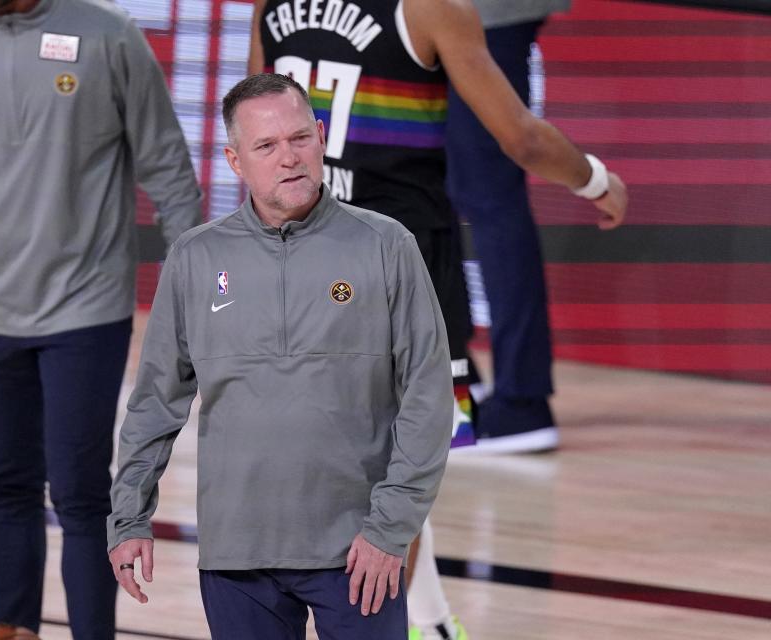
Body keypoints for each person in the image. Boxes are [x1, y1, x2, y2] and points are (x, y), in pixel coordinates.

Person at [248, 0, 626, 637]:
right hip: (405, 271)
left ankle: (430, 624)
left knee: (358, 474)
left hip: (297, 257)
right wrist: (594, 179)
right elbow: (522, 138)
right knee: (403, 477)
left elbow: (249, 127)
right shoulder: (434, 10)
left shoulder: (274, 4)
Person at [0, 0, 201, 638]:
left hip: (87, 307)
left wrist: (197, 288)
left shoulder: (110, 37)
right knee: (6, 483)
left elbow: (166, 165)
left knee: (79, 492)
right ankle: (12, 628)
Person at [107, 73, 456, 640]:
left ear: (321, 136)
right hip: (236, 556)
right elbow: (154, 404)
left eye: (298, 138)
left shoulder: (387, 246)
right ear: (235, 160)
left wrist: (391, 530)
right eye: (266, 146)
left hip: (358, 553)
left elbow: (428, 395)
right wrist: (129, 518)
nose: (288, 158)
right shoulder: (195, 259)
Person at [444, 0, 573, 454]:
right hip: (440, 12)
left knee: (488, 189)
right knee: (433, 181)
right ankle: (458, 377)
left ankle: (522, 402)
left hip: (481, 11)